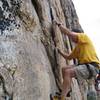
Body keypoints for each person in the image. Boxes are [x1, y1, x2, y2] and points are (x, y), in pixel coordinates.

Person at [54, 21, 100, 100]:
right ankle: (67, 90)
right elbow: (68, 57)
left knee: (68, 73)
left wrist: (59, 25)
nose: (71, 39)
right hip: (84, 65)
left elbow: (69, 33)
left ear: (77, 34)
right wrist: (60, 52)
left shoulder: (84, 37)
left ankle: (62, 98)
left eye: (73, 37)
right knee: (64, 69)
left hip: (92, 66)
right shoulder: (77, 48)